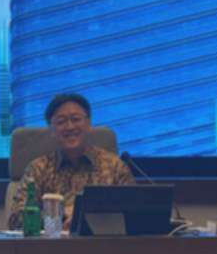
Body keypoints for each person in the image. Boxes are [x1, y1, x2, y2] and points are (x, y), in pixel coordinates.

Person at [8, 93, 135, 230]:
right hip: (53, 243)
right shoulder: (38, 169)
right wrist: (58, 215)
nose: (69, 127)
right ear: (51, 129)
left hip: (102, 242)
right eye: (61, 121)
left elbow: (134, 211)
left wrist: (84, 215)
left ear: (89, 124)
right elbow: (16, 219)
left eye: (76, 119)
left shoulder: (114, 166)